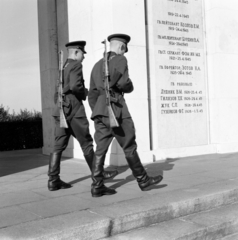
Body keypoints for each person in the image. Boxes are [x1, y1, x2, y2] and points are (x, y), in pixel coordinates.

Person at [88, 34, 163, 197]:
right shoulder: (120, 60)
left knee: (100, 150)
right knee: (129, 146)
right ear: (122, 47)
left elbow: (92, 94)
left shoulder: (96, 65)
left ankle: (97, 185)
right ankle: (143, 180)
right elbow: (123, 83)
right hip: (117, 110)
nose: (124, 53)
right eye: (124, 50)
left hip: (100, 112)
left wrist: (99, 110)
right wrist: (130, 86)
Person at [48, 41, 118, 191]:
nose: (84, 57)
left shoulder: (63, 67)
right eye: (82, 54)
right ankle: (98, 176)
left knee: (58, 146)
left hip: (61, 109)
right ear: (76, 52)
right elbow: (75, 86)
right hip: (74, 110)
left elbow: (57, 92)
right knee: (86, 144)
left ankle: (53, 180)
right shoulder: (75, 65)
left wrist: (60, 104)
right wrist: (84, 93)